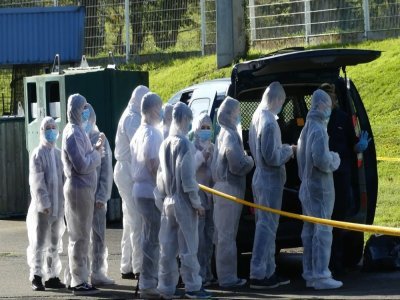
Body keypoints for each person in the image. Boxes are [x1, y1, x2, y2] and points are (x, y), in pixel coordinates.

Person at [155, 102, 211, 299]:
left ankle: (166, 287)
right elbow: (188, 179)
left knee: (168, 247)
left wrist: (161, 199)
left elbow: (160, 177)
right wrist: (197, 204)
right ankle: (193, 287)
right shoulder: (185, 144)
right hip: (184, 203)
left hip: (168, 201)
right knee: (188, 247)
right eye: (187, 120)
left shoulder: (165, 143)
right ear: (184, 119)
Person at [320, 83, 371, 275]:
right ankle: (326, 263)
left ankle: (337, 263)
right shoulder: (316, 120)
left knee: (339, 221)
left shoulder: (342, 118)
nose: (330, 100)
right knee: (324, 222)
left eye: (332, 96)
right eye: (327, 96)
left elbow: (352, 142)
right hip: (323, 177)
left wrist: (360, 146)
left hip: (342, 176)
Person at [248, 82, 294, 289]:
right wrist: (289, 150)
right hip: (268, 181)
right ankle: (259, 274)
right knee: (266, 228)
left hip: (263, 179)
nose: (281, 105)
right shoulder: (268, 122)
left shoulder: (258, 116)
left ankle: (268, 271)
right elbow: (271, 156)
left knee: (266, 227)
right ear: (276, 99)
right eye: (282, 102)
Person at [296, 89, 342, 290]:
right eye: (328, 106)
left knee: (309, 231)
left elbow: (301, 158)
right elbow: (321, 160)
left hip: (306, 187)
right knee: (322, 230)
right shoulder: (318, 130)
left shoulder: (306, 128)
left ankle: (310, 273)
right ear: (321, 106)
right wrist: (335, 158)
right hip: (320, 189)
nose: (330, 109)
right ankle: (322, 274)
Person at [62, 94, 103, 295]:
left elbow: (86, 158)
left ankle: (79, 278)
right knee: (79, 237)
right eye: (84, 107)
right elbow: (82, 164)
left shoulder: (79, 131)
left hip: (83, 190)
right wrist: (96, 155)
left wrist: (95, 149)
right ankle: (78, 281)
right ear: (76, 109)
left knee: (82, 236)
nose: (86, 110)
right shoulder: (72, 133)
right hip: (78, 190)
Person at [211, 96, 254, 288]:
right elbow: (237, 165)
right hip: (229, 190)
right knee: (227, 236)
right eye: (237, 112)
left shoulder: (223, 133)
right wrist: (250, 161)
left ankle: (225, 276)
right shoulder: (229, 135)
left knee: (223, 235)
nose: (238, 116)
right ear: (229, 114)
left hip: (223, 189)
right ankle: (228, 278)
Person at [130, 92, 164, 298]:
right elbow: (153, 165)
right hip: (150, 191)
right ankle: (149, 284)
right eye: (159, 109)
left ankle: (147, 279)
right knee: (152, 238)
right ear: (153, 110)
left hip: (139, 190)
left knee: (147, 236)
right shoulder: (152, 133)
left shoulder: (139, 132)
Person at [114, 85, 149, 279]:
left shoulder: (131, 114)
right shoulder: (133, 118)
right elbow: (140, 148)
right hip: (128, 170)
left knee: (129, 220)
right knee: (137, 220)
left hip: (126, 169)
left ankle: (127, 265)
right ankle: (139, 267)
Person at [26, 116, 66, 291]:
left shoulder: (59, 154)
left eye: (53, 127)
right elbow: (37, 182)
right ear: (42, 131)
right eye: (47, 128)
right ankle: (36, 275)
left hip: (58, 207)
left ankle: (52, 275)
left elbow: (64, 180)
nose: (51, 131)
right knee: (39, 242)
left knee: (55, 242)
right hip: (43, 210)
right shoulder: (37, 153)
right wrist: (44, 203)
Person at [84, 104, 115, 286]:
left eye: (87, 116)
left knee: (98, 236)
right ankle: (80, 273)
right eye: (82, 115)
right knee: (80, 237)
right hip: (80, 196)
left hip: (96, 198)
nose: (85, 120)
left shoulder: (100, 137)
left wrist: (102, 196)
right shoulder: (76, 137)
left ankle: (97, 271)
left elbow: (106, 171)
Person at [192, 112, 216, 287]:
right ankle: (199, 274)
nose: (205, 131)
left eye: (208, 128)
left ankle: (208, 272)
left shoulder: (213, 147)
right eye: (202, 128)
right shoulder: (192, 147)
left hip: (212, 197)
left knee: (209, 236)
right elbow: (190, 169)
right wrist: (202, 157)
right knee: (198, 238)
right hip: (198, 196)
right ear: (196, 128)